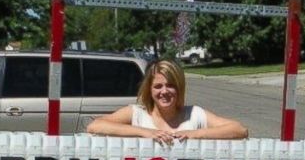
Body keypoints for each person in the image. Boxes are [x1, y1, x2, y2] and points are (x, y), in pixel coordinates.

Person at [87, 59, 248, 143]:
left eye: (170, 86)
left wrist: (195, 134)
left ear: (179, 88)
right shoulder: (136, 113)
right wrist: (145, 133)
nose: (164, 91)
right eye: (158, 86)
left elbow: (240, 130)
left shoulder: (194, 114)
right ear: (149, 89)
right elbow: (95, 126)